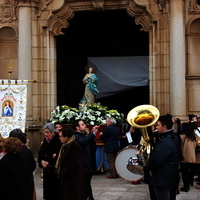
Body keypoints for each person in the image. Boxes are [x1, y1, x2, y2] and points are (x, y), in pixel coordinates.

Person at [143, 115, 179, 200]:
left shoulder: (165, 142)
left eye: (158, 125)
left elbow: (157, 160)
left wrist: (146, 168)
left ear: (164, 127)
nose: (157, 127)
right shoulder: (170, 138)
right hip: (166, 176)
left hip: (162, 178)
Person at [55, 126, 86, 200]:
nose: (59, 138)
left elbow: (75, 163)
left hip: (72, 179)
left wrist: (66, 171)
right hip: (68, 178)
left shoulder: (74, 145)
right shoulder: (66, 145)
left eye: (60, 136)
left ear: (66, 137)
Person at [72, 119, 99, 200]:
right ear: (77, 127)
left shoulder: (83, 134)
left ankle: (89, 197)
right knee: (84, 183)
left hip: (87, 163)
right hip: (82, 164)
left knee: (87, 183)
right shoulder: (75, 136)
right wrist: (93, 133)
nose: (85, 126)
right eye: (82, 124)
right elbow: (83, 142)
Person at [9, 128, 37, 200]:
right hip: (26, 182)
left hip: (12, 184)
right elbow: (33, 166)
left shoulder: (9, 151)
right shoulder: (27, 151)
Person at [38, 123, 62, 200]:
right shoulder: (45, 141)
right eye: (44, 132)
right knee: (48, 192)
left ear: (53, 132)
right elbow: (41, 153)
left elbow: (58, 155)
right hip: (46, 170)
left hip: (54, 170)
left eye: (47, 132)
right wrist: (41, 161)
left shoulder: (58, 140)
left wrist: (50, 161)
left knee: (55, 192)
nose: (45, 134)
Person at [179, 123, 196, 192]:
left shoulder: (182, 136)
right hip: (192, 157)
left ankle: (186, 186)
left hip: (184, 156)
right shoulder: (192, 136)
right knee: (190, 171)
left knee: (184, 172)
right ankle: (190, 182)